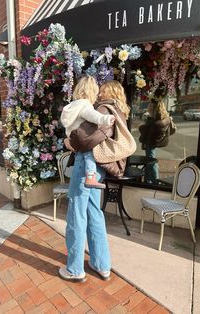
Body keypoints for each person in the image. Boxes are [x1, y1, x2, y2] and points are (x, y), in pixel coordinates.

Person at [59, 80, 130, 282]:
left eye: (102, 89)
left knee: (76, 215)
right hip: (98, 169)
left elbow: (84, 141)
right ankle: (101, 265)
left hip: (85, 166)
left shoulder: (100, 109)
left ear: (107, 91)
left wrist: (68, 142)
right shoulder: (118, 110)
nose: (99, 92)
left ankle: (74, 270)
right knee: (94, 213)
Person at [60, 75, 115, 189]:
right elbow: (93, 115)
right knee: (90, 153)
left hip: (72, 136)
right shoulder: (85, 105)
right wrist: (106, 119)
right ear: (92, 92)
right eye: (96, 92)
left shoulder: (73, 105)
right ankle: (90, 176)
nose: (97, 96)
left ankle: (90, 176)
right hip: (80, 138)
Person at [139, 97, 172, 184]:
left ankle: (154, 179)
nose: (149, 107)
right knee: (150, 160)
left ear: (154, 108)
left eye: (150, 106)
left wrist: (143, 124)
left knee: (151, 161)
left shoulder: (155, 121)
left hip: (151, 141)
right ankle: (148, 179)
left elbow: (144, 129)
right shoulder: (165, 118)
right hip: (153, 141)